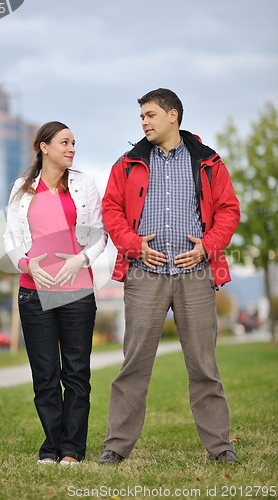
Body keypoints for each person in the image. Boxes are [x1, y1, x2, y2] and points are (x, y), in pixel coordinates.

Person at [99, 88, 240, 465]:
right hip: (145, 275)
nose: (143, 122)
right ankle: (115, 446)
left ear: (173, 115)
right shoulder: (127, 163)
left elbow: (228, 209)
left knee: (204, 365)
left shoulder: (208, 161)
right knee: (133, 364)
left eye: (150, 115)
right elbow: (110, 209)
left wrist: (208, 245)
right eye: (141, 117)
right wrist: (132, 243)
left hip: (195, 275)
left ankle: (220, 446)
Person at [4, 121, 107, 465]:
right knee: (45, 375)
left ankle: (72, 450)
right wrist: (25, 263)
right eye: (64, 142)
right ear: (44, 147)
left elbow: (99, 234)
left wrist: (80, 259)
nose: (71, 148)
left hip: (77, 291)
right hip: (34, 292)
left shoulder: (84, 184)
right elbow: (10, 238)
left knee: (76, 373)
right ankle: (51, 446)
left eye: (74, 143)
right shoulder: (22, 189)